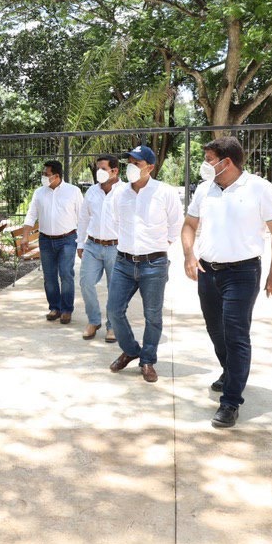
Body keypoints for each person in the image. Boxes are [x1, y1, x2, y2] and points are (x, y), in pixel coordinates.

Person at [181, 136, 272, 428]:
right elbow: (189, 225)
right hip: (207, 271)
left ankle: (230, 402)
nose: (205, 164)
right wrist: (189, 255)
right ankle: (231, 371)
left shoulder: (258, 188)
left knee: (236, 333)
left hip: (242, 273)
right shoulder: (204, 190)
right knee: (216, 330)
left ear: (226, 162)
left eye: (209, 159)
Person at [108, 145, 183, 382]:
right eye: (128, 162)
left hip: (154, 264)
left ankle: (148, 360)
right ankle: (131, 350)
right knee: (113, 310)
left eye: (136, 163)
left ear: (150, 167)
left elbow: (176, 224)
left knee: (153, 316)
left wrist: (160, 245)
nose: (130, 166)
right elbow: (115, 221)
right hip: (124, 262)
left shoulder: (165, 192)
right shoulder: (119, 193)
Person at [76, 154, 129, 341]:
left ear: (115, 171)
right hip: (92, 245)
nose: (99, 172)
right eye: (97, 169)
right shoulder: (91, 191)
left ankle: (112, 326)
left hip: (117, 248)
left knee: (115, 289)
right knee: (85, 282)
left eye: (103, 169)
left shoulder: (126, 191)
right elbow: (83, 219)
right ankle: (93, 320)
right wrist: (80, 243)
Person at [24, 160, 84, 324]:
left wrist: (82, 242)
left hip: (67, 239)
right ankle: (54, 308)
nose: (43, 176)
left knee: (66, 274)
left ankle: (66, 310)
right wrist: (24, 236)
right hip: (45, 240)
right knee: (49, 277)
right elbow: (31, 215)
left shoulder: (73, 191)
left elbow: (82, 217)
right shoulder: (39, 193)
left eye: (46, 174)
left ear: (57, 176)